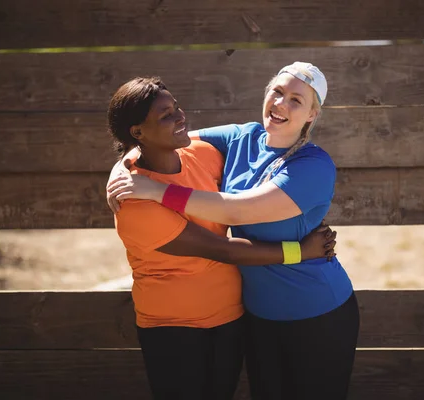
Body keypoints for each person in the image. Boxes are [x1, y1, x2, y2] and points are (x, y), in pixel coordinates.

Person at [108, 63, 360, 400]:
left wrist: (156, 191)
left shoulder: (312, 166)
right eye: (278, 91)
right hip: (256, 315)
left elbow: (236, 209)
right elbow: (158, 139)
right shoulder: (240, 137)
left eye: (296, 101)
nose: (281, 103)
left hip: (314, 310)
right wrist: (120, 170)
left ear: (313, 114)